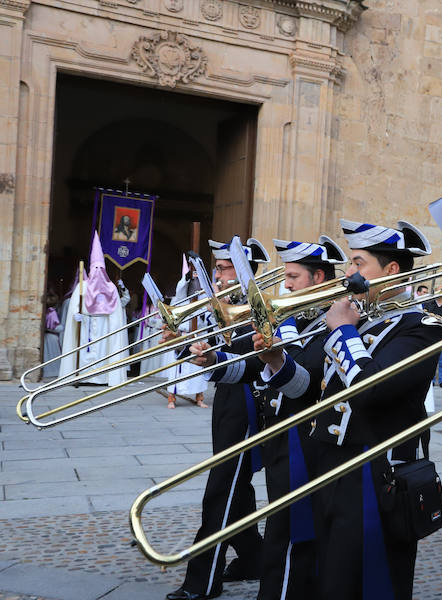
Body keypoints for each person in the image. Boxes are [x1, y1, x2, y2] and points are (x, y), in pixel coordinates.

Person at [303, 218, 442, 600]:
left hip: (373, 470)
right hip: (332, 463)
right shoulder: (360, 319)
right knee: (333, 573)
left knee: (368, 579)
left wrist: (342, 332)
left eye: (358, 263)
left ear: (392, 270)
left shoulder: (423, 327)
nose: (348, 272)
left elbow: (373, 387)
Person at [198, 235, 347, 600]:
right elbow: (253, 366)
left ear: (319, 278)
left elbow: (305, 382)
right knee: (284, 534)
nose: (287, 283)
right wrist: (213, 361)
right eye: (287, 276)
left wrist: (277, 356)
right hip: (279, 434)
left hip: (307, 441)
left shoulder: (331, 322)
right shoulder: (296, 316)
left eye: (294, 276)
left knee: (292, 536)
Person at [165, 237, 270, 600]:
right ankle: (254, 557)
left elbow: (243, 357)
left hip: (247, 402)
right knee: (235, 487)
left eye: (224, 268)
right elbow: (203, 354)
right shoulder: (223, 304)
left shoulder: (259, 307)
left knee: (222, 488)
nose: (217, 275)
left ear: (243, 271)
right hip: (227, 400)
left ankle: (201, 581)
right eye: (217, 268)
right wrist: (179, 341)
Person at [58, 232, 130, 386]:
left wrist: (113, 324)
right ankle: (82, 376)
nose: (97, 271)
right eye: (95, 268)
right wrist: (76, 314)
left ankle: (103, 377)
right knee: (85, 351)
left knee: (103, 352)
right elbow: (75, 306)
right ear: (91, 269)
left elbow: (116, 313)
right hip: (86, 325)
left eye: (100, 268)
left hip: (105, 328)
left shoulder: (111, 288)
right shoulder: (82, 286)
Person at [167, 252, 209, 409]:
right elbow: (180, 290)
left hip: (199, 335)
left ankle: (199, 397)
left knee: (197, 369)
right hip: (183, 337)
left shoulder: (203, 294)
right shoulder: (179, 299)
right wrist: (187, 276)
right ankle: (172, 398)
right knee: (177, 368)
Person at [42, 290, 64, 378]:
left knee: (48, 355)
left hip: (47, 336)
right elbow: (57, 328)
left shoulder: (47, 312)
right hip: (52, 337)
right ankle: (54, 372)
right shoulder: (52, 313)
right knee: (53, 356)